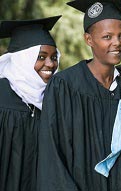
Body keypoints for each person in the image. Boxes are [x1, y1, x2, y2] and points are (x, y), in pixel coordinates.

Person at [36, 1, 121, 191]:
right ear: (89, 39)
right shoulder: (65, 86)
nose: (117, 43)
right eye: (107, 36)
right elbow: (52, 156)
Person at [0, 16, 61, 191]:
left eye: (54, 57)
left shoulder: (53, 100)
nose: (50, 64)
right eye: (41, 57)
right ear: (22, 60)